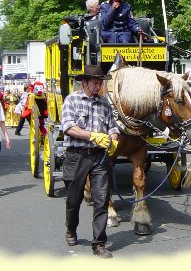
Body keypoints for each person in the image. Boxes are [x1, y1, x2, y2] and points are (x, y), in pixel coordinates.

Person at [61, 65, 119, 258]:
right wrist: (93, 136)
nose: (99, 86)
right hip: (76, 156)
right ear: (84, 82)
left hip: (99, 157)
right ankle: (71, 229)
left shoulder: (104, 103)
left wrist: (114, 139)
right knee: (73, 199)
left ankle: (99, 243)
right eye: (96, 82)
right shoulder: (71, 100)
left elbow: (113, 127)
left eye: (101, 82)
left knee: (101, 200)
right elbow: (68, 127)